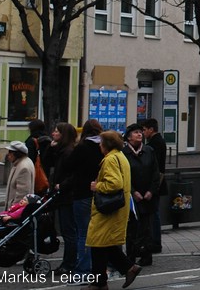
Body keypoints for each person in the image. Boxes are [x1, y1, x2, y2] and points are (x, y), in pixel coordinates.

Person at [88, 129, 140, 290]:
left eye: (101, 143)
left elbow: (114, 183)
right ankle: (126, 269)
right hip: (118, 208)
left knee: (97, 243)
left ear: (106, 145)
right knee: (105, 244)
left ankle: (100, 282)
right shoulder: (121, 157)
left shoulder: (110, 159)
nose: (99, 146)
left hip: (108, 209)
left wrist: (98, 186)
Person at [60, 119, 103, 279]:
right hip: (100, 194)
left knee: (83, 233)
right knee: (98, 233)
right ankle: (98, 267)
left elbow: (68, 165)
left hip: (81, 194)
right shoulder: (104, 147)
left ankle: (83, 269)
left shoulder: (82, 147)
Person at [122, 123, 159, 266]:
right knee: (131, 228)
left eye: (141, 132)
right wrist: (133, 191)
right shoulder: (124, 153)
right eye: (136, 132)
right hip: (132, 197)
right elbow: (123, 176)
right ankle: (130, 256)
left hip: (148, 195)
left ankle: (146, 255)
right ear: (129, 136)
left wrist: (151, 190)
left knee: (146, 228)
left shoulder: (149, 151)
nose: (140, 134)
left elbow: (156, 173)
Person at [44, 122, 79, 274]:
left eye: (57, 132)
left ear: (63, 135)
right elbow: (46, 163)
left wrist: (62, 185)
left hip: (67, 197)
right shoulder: (61, 151)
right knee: (67, 231)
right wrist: (50, 149)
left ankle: (69, 264)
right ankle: (69, 262)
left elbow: (73, 174)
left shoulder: (68, 152)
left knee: (69, 231)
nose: (53, 133)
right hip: (62, 196)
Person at [140, 119, 166, 256]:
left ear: (151, 129)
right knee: (153, 213)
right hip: (157, 183)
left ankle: (155, 242)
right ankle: (154, 241)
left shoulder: (154, 144)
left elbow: (153, 167)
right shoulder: (158, 141)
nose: (143, 133)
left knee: (153, 214)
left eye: (144, 130)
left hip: (154, 184)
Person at [4, 140, 35, 209]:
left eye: (10, 152)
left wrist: (13, 208)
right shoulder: (21, 163)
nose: (8, 155)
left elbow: (22, 193)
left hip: (17, 211)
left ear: (16, 154)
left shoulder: (23, 167)